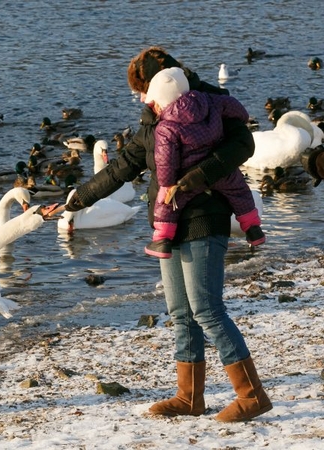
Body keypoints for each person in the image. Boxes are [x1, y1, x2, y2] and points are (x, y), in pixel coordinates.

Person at [65, 46, 272, 422]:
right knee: (181, 313)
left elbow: (244, 146)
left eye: (140, 90)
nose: (140, 99)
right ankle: (189, 396)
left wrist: (198, 177)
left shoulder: (215, 103)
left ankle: (251, 395)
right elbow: (125, 165)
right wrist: (76, 200)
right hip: (167, 223)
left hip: (204, 215)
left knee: (207, 309)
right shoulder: (153, 115)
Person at [144, 67, 265, 258]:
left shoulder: (165, 128)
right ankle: (253, 229)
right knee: (240, 191)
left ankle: (162, 240)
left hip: (187, 177)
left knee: (168, 203)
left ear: (161, 102)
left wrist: (167, 185)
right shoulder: (210, 101)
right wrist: (241, 118)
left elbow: (165, 161)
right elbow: (234, 106)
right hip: (218, 170)